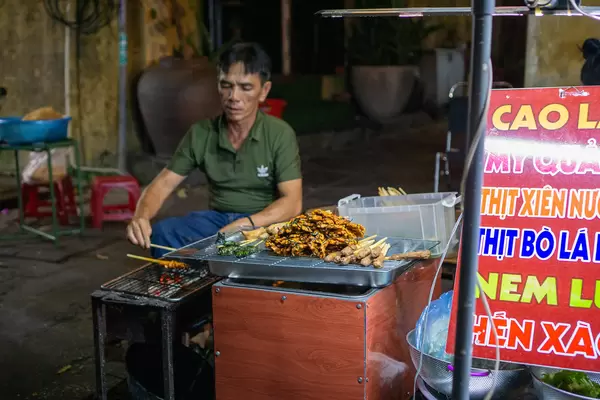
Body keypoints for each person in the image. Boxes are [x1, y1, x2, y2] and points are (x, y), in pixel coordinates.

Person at [126, 42, 302, 257]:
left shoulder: (279, 134)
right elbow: (163, 183)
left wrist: (244, 225)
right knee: (163, 233)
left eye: (246, 88)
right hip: (217, 221)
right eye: (226, 85)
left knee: (261, 251)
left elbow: (293, 203)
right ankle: (183, 286)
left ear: (264, 91)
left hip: (264, 221)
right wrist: (141, 216)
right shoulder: (201, 133)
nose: (234, 97)